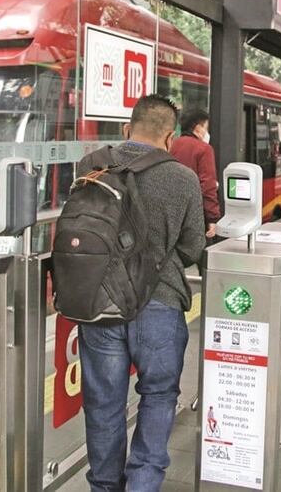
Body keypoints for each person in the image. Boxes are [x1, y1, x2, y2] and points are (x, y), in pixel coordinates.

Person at [76, 94, 206, 492]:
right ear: (170, 138)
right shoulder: (182, 178)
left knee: (103, 403)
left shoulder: (92, 165)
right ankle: (143, 483)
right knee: (158, 395)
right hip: (160, 304)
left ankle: (103, 486)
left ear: (128, 129)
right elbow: (193, 246)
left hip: (100, 303)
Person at [170, 108, 220, 239]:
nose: (206, 133)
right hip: (194, 215)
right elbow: (207, 186)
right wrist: (212, 218)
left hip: (171, 213)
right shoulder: (204, 149)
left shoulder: (172, 145)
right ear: (198, 129)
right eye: (205, 128)